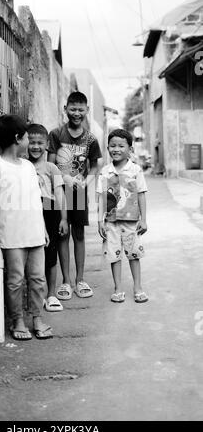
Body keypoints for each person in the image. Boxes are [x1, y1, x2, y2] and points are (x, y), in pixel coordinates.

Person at [0, 114, 53, 340]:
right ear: (17, 138)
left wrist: (42, 228)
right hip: (12, 236)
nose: (28, 143)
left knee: (38, 278)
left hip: (35, 233)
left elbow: (36, 201)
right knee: (15, 280)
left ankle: (38, 318)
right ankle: (18, 321)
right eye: (26, 137)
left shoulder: (29, 167)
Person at [48, 91, 102, 300]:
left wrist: (85, 183)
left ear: (87, 111)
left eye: (81, 109)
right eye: (73, 109)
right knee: (63, 235)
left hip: (79, 194)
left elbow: (95, 168)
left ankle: (80, 279)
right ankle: (66, 281)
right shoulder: (56, 134)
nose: (76, 113)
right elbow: (50, 165)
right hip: (59, 194)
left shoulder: (90, 139)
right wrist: (64, 179)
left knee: (78, 235)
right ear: (65, 109)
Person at [96, 128, 149, 303]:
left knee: (134, 254)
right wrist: (99, 221)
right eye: (112, 146)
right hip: (111, 222)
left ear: (130, 149)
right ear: (108, 148)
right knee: (114, 255)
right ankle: (118, 288)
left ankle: (138, 287)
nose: (116, 149)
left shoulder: (135, 170)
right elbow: (102, 197)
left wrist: (144, 219)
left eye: (121, 146)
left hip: (131, 222)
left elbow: (141, 193)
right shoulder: (105, 172)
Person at [27, 123, 68, 312]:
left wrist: (63, 218)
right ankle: (35, 295)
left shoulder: (51, 167)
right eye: (31, 142)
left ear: (46, 145)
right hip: (29, 211)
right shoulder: (23, 166)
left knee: (51, 254)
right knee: (32, 254)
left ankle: (51, 294)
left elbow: (59, 193)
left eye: (40, 143)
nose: (36, 146)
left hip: (49, 210)